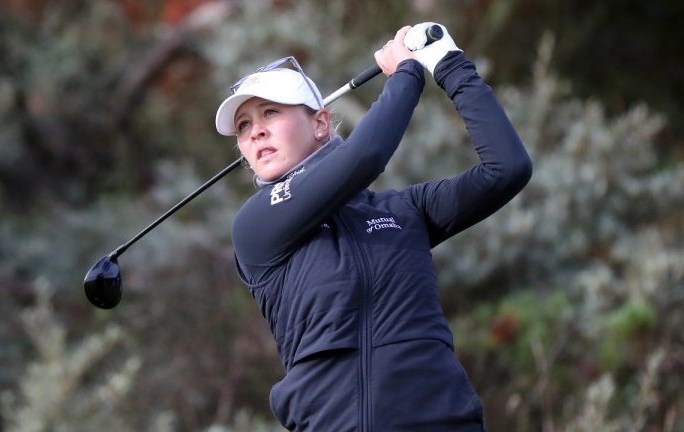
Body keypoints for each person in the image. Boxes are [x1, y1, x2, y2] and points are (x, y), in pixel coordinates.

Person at [214, 22, 532, 431]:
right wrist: (406, 75)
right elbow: (365, 158)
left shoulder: (404, 211)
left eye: (270, 112)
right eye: (243, 125)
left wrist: (450, 65)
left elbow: (506, 169)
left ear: (321, 124)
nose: (255, 130)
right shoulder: (256, 225)